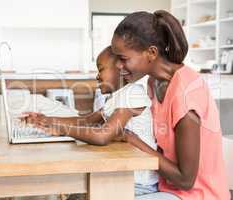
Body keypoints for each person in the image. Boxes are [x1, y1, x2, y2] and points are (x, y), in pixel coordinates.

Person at [111, 10, 230, 200]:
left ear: (151, 53)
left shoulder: (186, 93)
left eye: (123, 59)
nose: (117, 65)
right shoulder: (153, 82)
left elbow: (185, 180)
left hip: (197, 195)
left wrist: (134, 141)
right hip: (166, 188)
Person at [22, 46, 159, 196]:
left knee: (75, 193)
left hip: (137, 183)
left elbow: (102, 136)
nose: (97, 76)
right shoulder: (116, 97)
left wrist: (61, 129)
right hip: (124, 174)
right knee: (74, 192)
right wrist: (46, 120)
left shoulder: (132, 94)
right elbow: (87, 121)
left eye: (101, 69)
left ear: (121, 69)